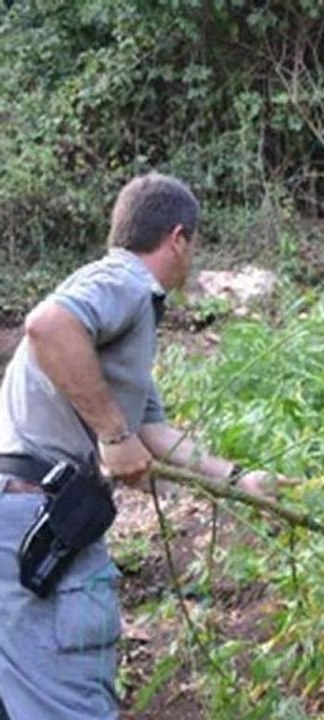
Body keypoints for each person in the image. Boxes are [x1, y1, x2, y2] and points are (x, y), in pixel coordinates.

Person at [0, 173, 283, 719]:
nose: (192, 259)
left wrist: (237, 478)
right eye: (194, 246)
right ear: (178, 238)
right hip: (39, 524)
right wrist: (113, 436)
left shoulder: (121, 329)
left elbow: (152, 429)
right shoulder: (125, 282)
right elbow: (47, 325)